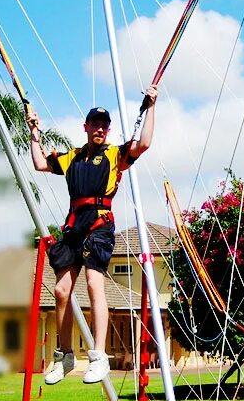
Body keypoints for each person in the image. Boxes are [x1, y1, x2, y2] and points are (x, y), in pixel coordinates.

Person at [26, 84, 158, 385]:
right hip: (74, 225)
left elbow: (145, 143)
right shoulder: (72, 157)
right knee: (61, 292)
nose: (99, 129)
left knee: (93, 284)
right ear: (86, 127)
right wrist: (34, 130)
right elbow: (39, 163)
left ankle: (98, 356)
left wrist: (151, 106)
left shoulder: (114, 155)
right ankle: (65, 355)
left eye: (104, 126)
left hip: (99, 224)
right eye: (95, 124)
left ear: (107, 131)